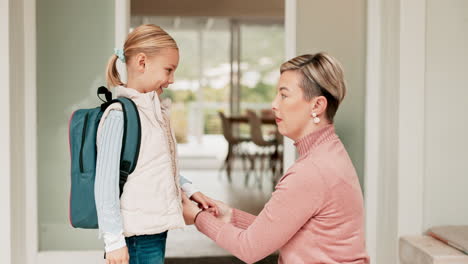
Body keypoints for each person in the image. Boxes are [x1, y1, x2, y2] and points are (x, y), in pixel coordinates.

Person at [182, 52, 370, 264]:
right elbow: (286, 229)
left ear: (317, 105)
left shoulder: (311, 171)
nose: (274, 104)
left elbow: (249, 248)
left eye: (284, 95)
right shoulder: (329, 153)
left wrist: (199, 218)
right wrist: (230, 216)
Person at [95, 24, 218, 264]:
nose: (172, 80)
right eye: (168, 70)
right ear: (142, 62)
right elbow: (104, 183)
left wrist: (190, 190)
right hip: (136, 235)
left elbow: (157, 164)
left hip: (155, 227)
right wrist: (114, 241)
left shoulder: (155, 111)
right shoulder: (119, 115)